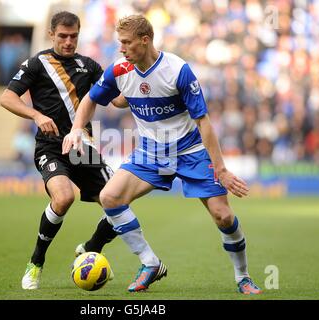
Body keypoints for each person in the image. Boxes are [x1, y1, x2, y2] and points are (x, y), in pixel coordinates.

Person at [63, 14, 263, 294]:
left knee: (224, 217)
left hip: (190, 151)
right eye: (119, 42)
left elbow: (203, 122)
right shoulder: (119, 70)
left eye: (126, 42)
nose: (121, 48)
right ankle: (150, 262)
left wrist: (221, 169)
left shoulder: (178, 70)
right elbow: (90, 100)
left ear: (145, 41)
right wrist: (75, 129)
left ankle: (242, 276)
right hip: (151, 152)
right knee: (110, 197)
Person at [0, 11, 120, 290]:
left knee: (119, 201)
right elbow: (6, 97)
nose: (68, 41)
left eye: (73, 36)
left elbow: (116, 99)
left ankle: (91, 248)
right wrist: (36, 116)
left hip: (82, 147)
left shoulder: (89, 65)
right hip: (50, 147)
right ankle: (36, 262)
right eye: (63, 36)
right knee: (64, 197)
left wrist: (133, 81)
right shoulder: (37, 64)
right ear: (52, 34)